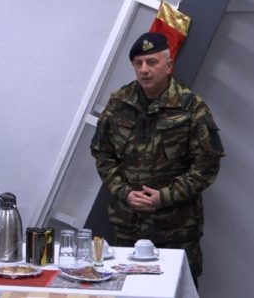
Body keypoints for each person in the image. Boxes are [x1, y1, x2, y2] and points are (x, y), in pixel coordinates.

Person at [90, 32, 224, 286]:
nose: (144, 70)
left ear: (168, 65)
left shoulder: (191, 107)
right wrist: (124, 192)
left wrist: (165, 197)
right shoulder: (119, 103)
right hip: (128, 225)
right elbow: (103, 154)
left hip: (176, 228)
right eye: (138, 63)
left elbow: (207, 164)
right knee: (128, 289)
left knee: (175, 290)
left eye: (152, 62)